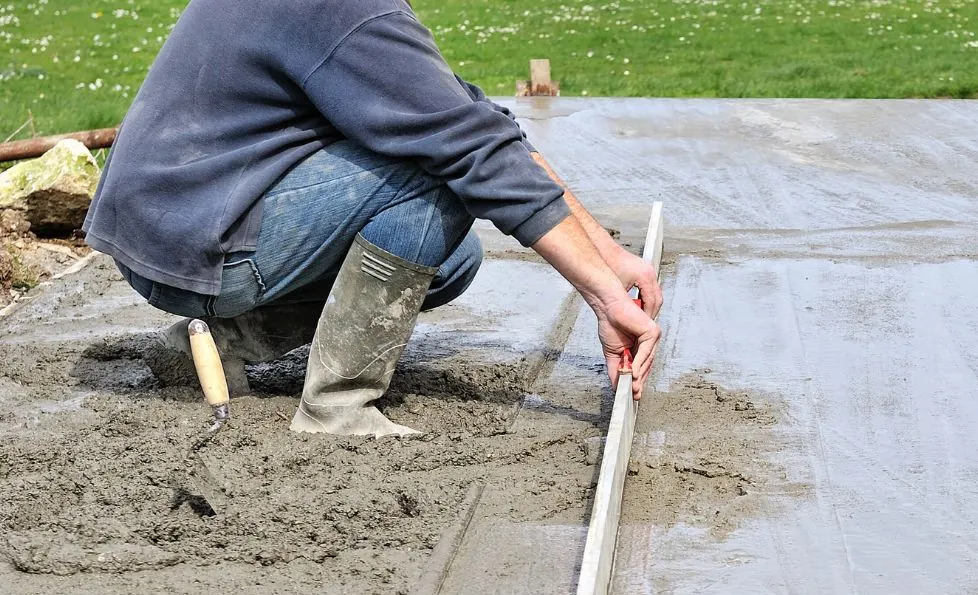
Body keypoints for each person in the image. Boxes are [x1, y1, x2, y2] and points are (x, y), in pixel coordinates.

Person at [82, 0, 661, 437]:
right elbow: (465, 150)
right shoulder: (341, 8)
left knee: (451, 259)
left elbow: (472, 116)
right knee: (437, 177)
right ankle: (338, 406)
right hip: (201, 245)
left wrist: (607, 256)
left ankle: (217, 341)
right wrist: (604, 299)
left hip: (172, 228)